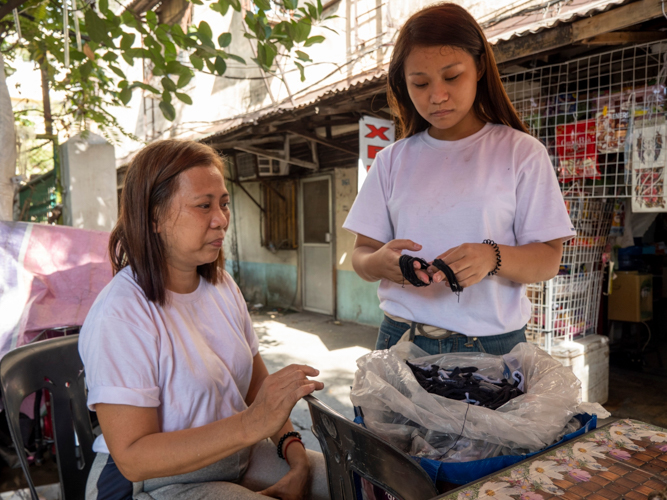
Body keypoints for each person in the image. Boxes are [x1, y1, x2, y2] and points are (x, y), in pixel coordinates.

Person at [79, 140, 329, 500]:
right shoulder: (121, 314)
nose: (221, 219)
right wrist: (250, 423)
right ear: (153, 217)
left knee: (350, 479)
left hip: (235, 458)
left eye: (224, 203)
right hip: (149, 484)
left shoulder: (222, 286)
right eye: (203, 206)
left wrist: (295, 453)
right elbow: (133, 457)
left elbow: (256, 384)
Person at [343, 3, 576, 356]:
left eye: (451, 76)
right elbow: (361, 253)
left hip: (492, 348)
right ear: (404, 85)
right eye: (419, 83)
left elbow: (548, 259)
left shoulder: (521, 153)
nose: (437, 96)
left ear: (479, 66)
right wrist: (379, 264)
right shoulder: (391, 161)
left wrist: (492, 257)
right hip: (402, 341)